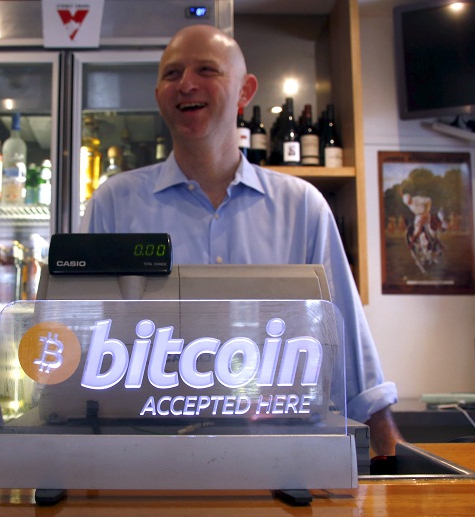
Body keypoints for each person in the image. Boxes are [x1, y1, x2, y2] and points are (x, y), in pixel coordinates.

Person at [79, 25, 404, 456]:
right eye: (172, 73)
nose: (186, 84)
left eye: (206, 70)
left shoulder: (302, 207)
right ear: (159, 95)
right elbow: (79, 342)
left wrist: (389, 448)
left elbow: (342, 332)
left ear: (245, 91)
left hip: (280, 464)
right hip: (144, 460)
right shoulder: (113, 204)